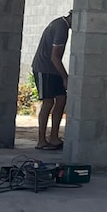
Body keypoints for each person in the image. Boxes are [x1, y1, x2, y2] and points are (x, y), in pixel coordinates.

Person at [32, 12, 71, 149]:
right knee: (48, 102)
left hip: (54, 69)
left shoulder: (60, 24)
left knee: (61, 99)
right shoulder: (61, 27)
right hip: (44, 68)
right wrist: (65, 77)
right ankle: (41, 140)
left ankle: (54, 137)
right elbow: (55, 57)